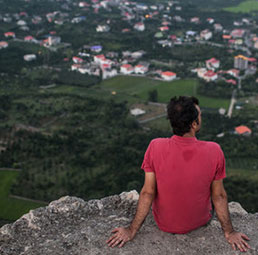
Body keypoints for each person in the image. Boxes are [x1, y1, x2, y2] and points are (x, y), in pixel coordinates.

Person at [106, 96, 250, 252]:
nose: (201, 117)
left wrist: (131, 230)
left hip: (163, 223)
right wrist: (229, 232)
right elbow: (219, 196)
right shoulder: (214, 150)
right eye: (199, 115)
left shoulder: (155, 146)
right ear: (194, 124)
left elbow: (148, 192)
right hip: (200, 221)